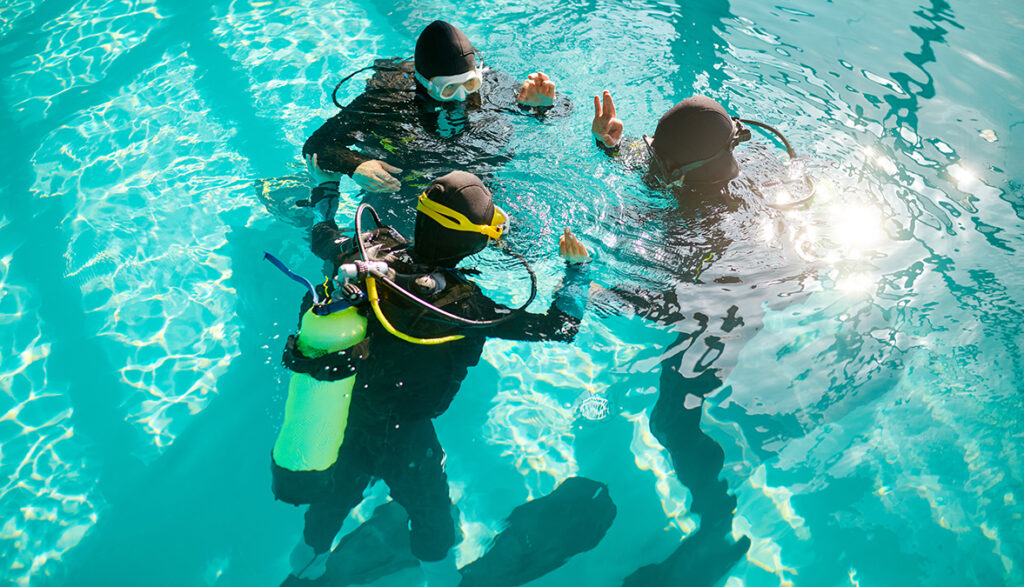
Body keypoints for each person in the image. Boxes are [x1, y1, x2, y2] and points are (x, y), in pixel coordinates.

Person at [278, 166, 592, 586]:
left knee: (330, 506)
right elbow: (560, 327)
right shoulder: (464, 309)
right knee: (432, 518)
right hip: (405, 435)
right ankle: (442, 579)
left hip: (346, 412)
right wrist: (579, 273)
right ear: (475, 241)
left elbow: (322, 236)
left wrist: (325, 193)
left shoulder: (367, 252)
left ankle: (303, 568)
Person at [586, 91, 812, 585]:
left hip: (726, 310)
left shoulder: (710, 223)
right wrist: (609, 148)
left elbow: (672, 302)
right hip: (736, 287)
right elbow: (665, 174)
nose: (649, 163)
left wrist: (598, 290)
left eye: (657, 158)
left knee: (671, 422)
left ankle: (717, 529)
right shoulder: (721, 173)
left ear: (686, 170)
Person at [299, 20, 564, 227]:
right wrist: (356, 165)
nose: (462, 96)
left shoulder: (491, 85)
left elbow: (563, 110)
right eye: (449, 89)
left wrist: (539, 106)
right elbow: (317, 145)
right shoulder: (386, 99)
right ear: (424, 82)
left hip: (473, 181)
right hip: (404, 186)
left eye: (470, 84)